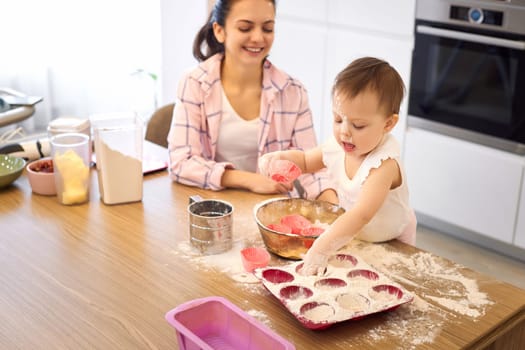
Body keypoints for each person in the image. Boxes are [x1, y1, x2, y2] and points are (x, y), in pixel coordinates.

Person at [259, 57, 417, 275]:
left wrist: (322, 249)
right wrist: (280, 158)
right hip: (354, 233)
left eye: (358, 125)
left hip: (392, 238)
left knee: (393, 278)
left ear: (388, 124)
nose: (345, 131)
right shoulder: (339, 145)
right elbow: (305, 161)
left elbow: (362, 214)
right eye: (338, 119)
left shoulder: (384, 165)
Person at [167, 0, 336, 202]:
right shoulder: (195, 83)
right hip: (213, 207)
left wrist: (332, 204)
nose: (258, 38)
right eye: (245, 28)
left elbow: (310, 167)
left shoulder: (293, 91)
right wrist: (249, 180)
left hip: (270, 212)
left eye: (267, 28)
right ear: (219, 31)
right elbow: (180, 162)